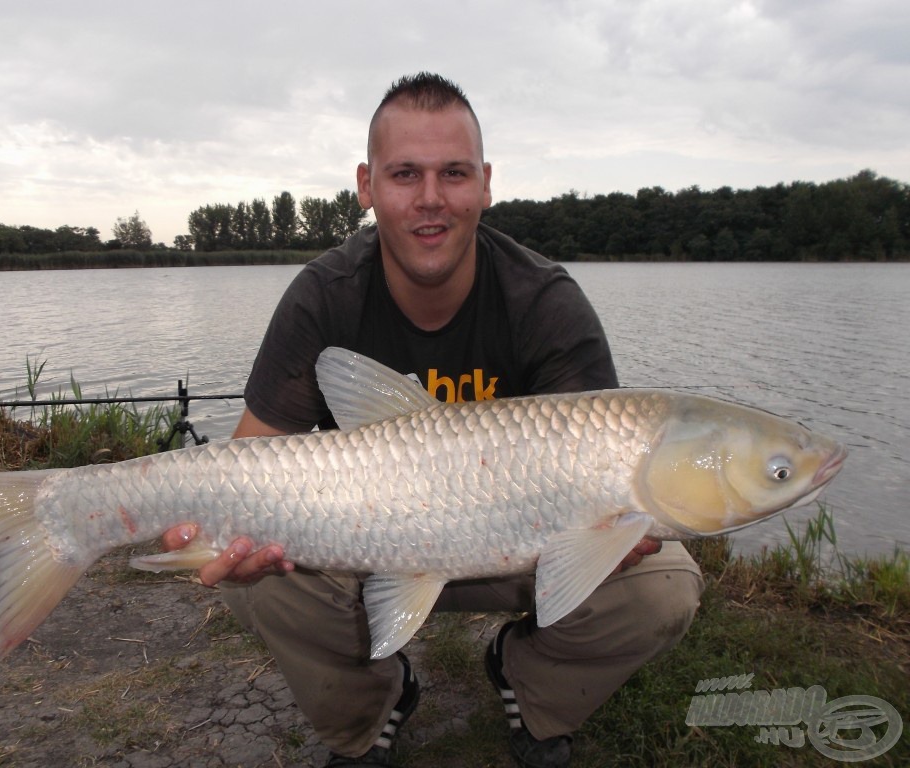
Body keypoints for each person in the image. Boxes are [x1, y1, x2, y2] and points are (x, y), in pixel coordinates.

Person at [162, 73, 704, 768]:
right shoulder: (322, 297)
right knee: (261, 577)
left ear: (485, 184)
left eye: (453, 174)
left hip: (525, 543)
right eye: (404, 174)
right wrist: (228, 537)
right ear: (366, 185)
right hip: (367, 539)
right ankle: (371, 708)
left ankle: (533, 689)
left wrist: (612, 529)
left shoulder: (546, 303)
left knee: (660, 587)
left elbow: (606, 470)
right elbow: (251, 458)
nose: (429, 199)